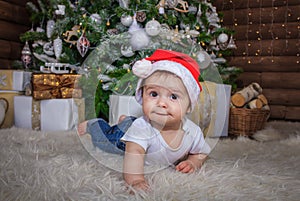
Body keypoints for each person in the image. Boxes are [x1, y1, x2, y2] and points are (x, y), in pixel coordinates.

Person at [77, 49, 211, 192]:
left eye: (173, 97)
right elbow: (134, 156)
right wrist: (136, 181)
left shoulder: (193, 132)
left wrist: (193, 162)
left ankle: (126, 121)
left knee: (129, 124)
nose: (161, 103)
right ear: (142, 96)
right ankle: (94, 124)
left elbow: (201, 152)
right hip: (124, 140)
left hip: (134, 125)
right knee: (106, 139)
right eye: (154, 94)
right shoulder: (142, 128)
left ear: (189, 105)